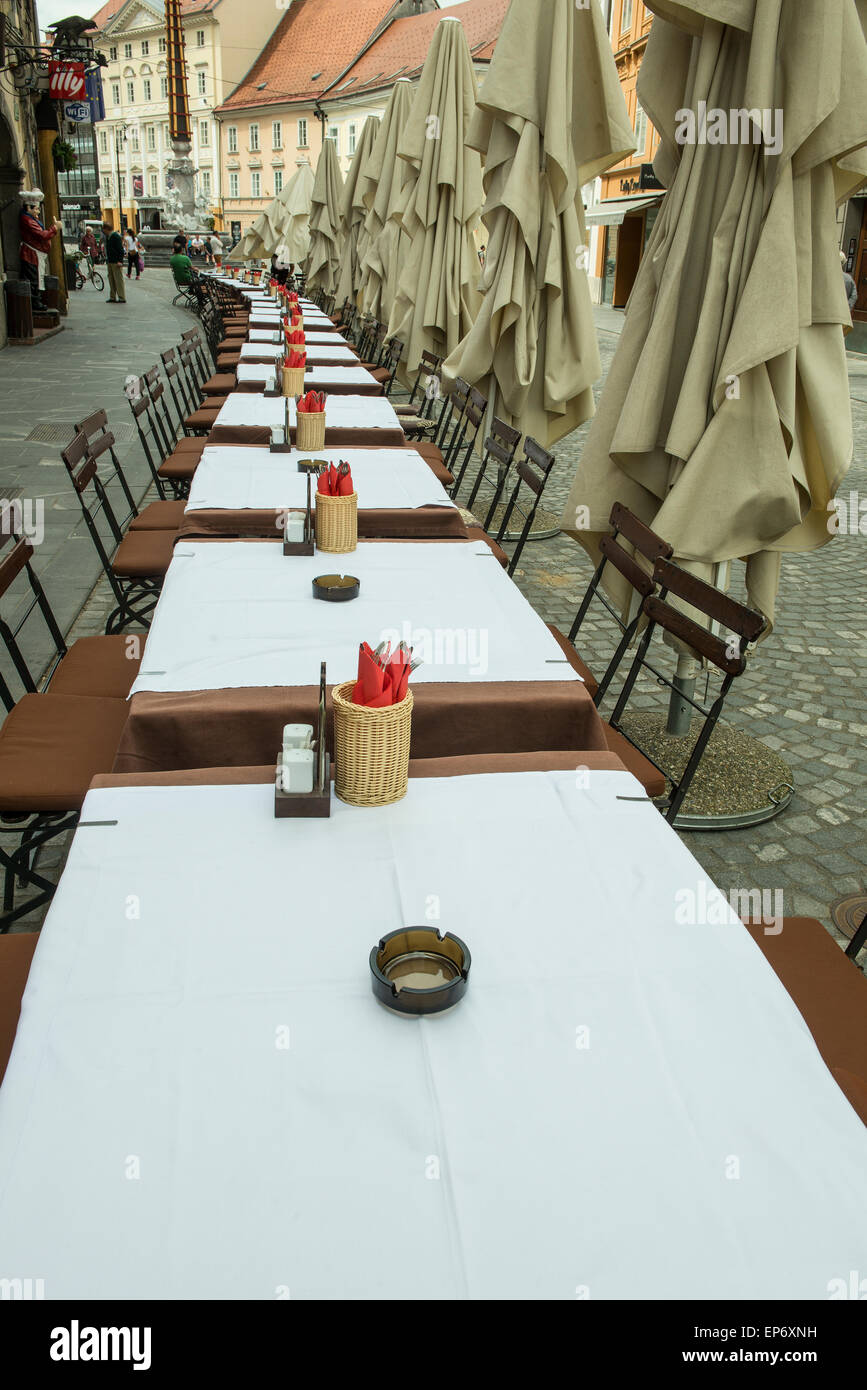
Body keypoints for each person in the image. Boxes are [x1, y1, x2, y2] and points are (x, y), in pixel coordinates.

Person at [18, 190, 61, 313]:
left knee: (36, 277)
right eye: (36, 209)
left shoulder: (30, 219)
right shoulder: (27, 220)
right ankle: (35, 302)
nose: (38, 212)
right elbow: (42, 235)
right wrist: (55, 228)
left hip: (35, 254)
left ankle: (36, 300)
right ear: (28, 207)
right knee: (34, 279)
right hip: (31, 254)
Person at [103, 221, 126, 303]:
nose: (103, 231)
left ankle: (121, 297)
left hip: (116, 262)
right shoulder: (108, 236)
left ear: (106, 229)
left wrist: (120, 261)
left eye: (104, 229)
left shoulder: (115, 236)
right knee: (111, 279)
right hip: (110, 261)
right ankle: (112, 296)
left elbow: (120, 250)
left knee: (118, 280)